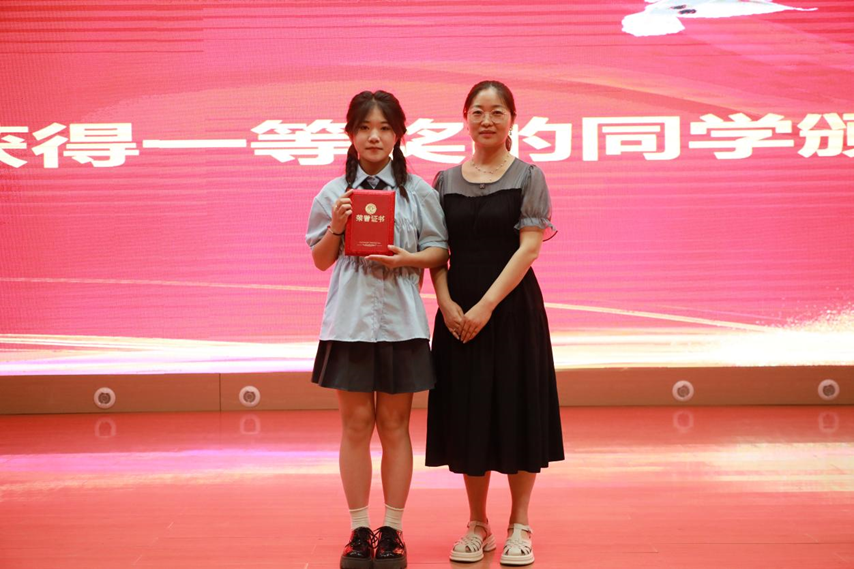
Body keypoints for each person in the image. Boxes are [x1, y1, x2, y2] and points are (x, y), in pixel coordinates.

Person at [306, 90, 449, 569]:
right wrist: (337, 226)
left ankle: (392, 530)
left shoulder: (418, 192)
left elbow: (439, 250)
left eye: (385, 128)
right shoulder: (332, 193)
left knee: (394, 426)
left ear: (398, 136)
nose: (374, 136)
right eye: (365, 127)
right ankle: (358, 530)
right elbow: (320, 260)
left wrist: (407, 258)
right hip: (348, 325)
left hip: (401, 325)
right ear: (350, 134)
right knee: (354, 426)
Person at [425, 80, 564, 566]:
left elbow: (529, 249)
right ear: (465, 118)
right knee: (470, 414)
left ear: (512, 121)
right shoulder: (443, 181)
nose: (487, 120)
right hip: (458, 315)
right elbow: (436, 251)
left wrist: (485, 306)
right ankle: (477, 524)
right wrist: (445, 303)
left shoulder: (529, 176)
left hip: (511, 312)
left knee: (517, 409)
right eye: (478, 111)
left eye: (497, 112)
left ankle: (519, 525)